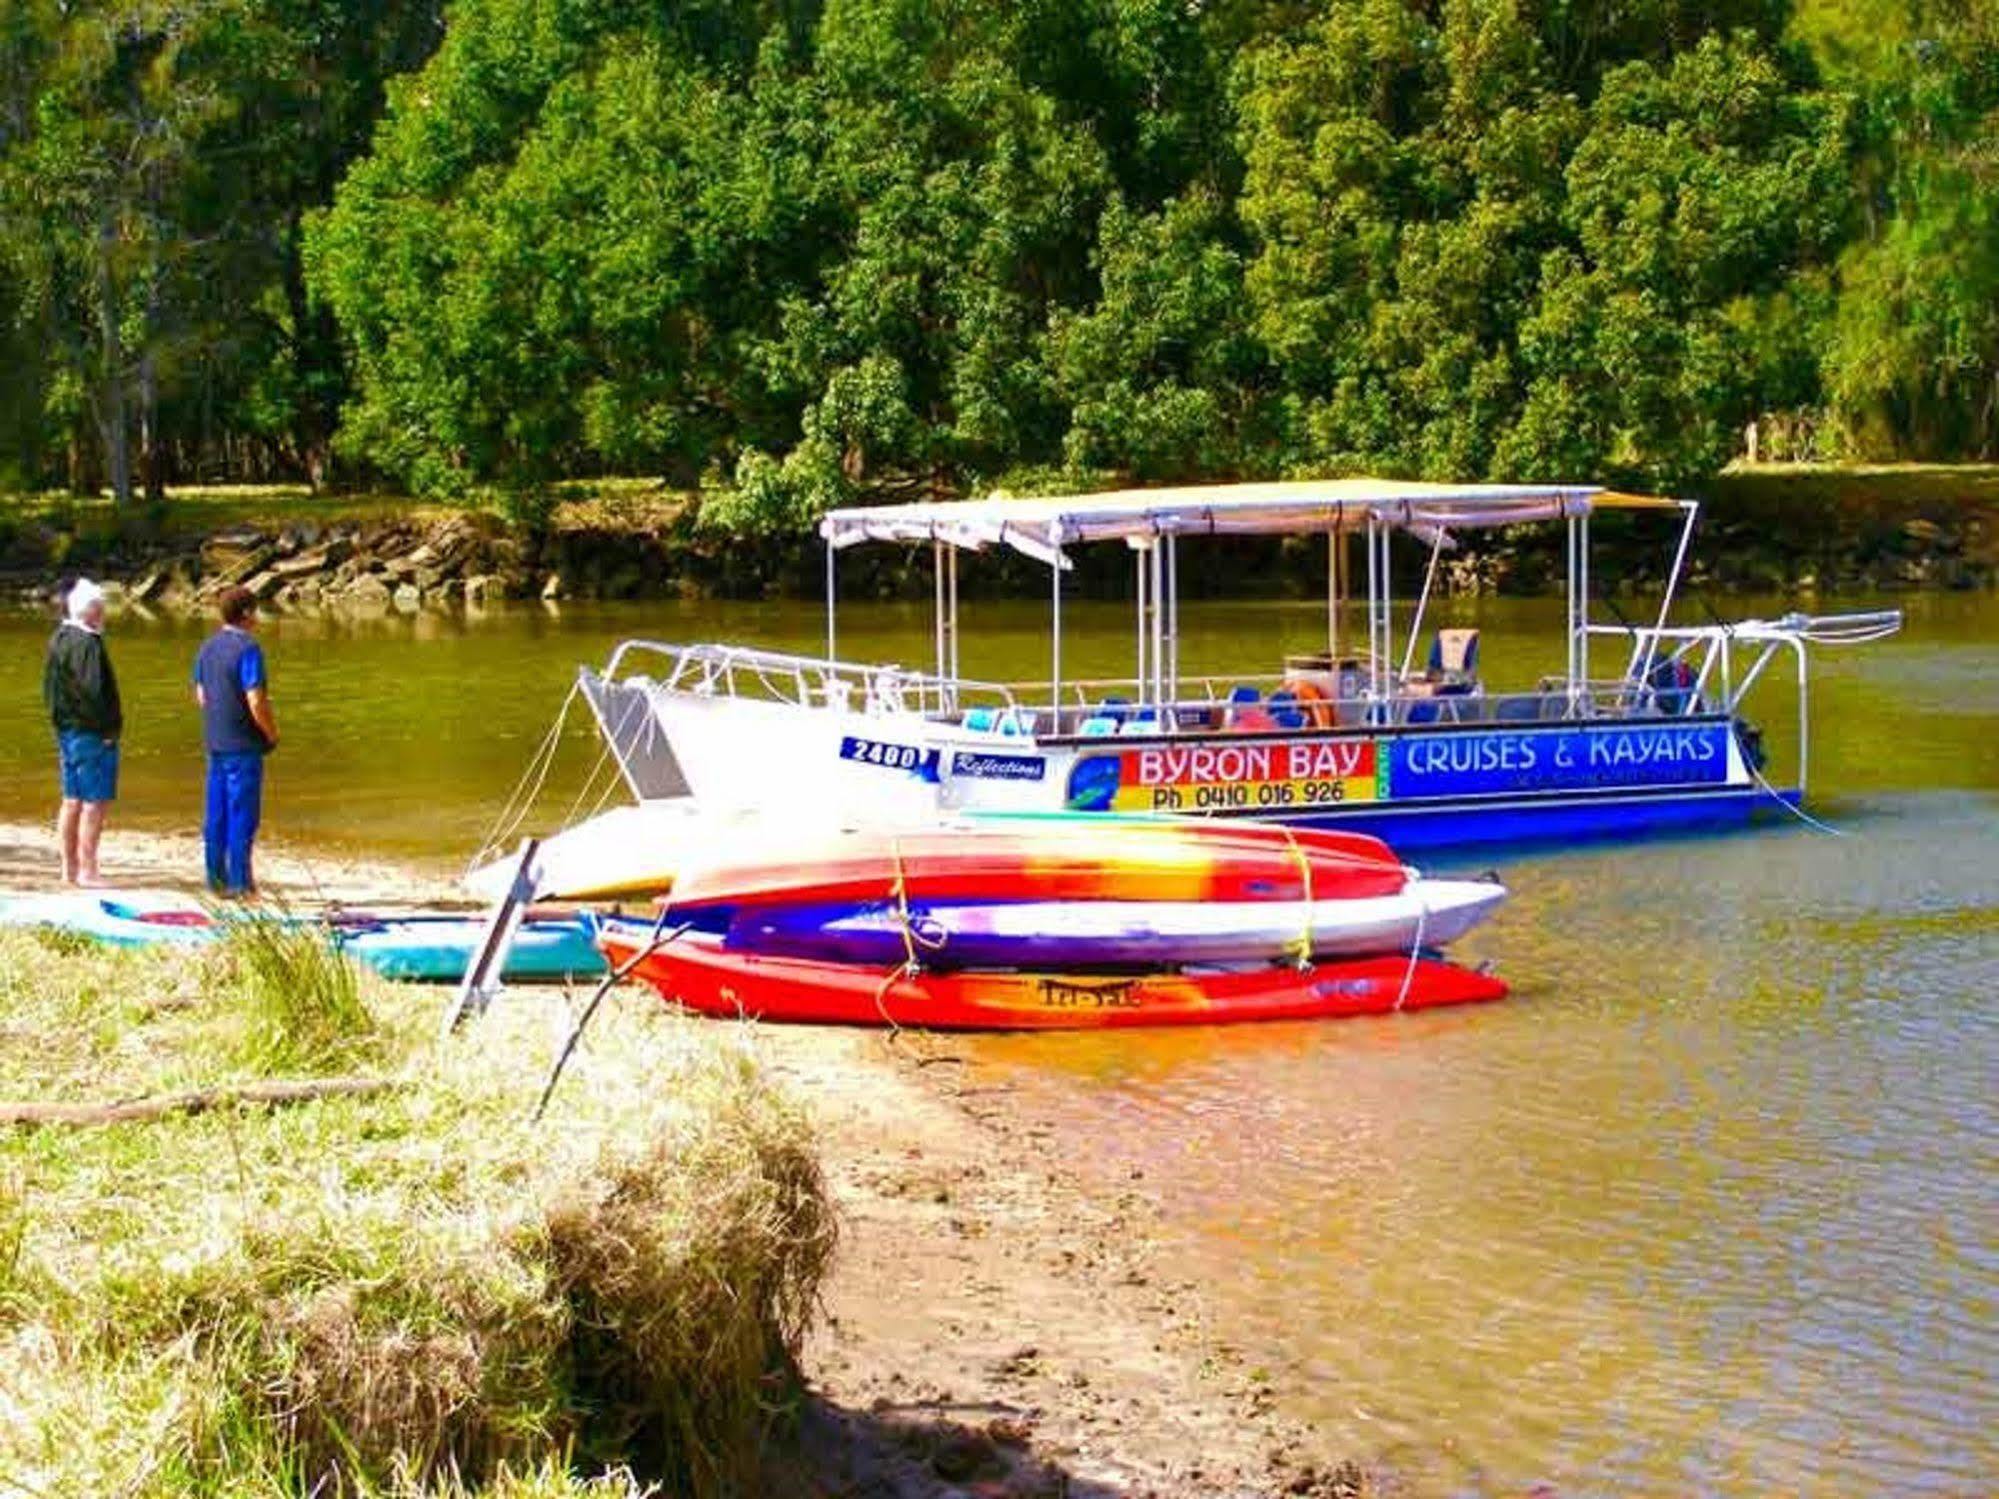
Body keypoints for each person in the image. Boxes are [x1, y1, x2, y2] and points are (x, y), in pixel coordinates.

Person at [193, 586, 278, 895]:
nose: (256, 617)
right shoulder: (248, 650)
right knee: (243, 814)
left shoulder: (207, 647)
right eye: (254, 611)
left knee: (216, 813)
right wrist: (270, 732)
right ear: (246, 614)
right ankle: (241, 884)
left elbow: (201, 695)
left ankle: (215, 881)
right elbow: (255, 699)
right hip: (243, 744)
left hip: (215, 741)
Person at [43, 577, 122, 886]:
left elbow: (49, 690)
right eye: (98, 607)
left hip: (67, 731)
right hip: (91, 733)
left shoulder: (59, 637)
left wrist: (59, 723)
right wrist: (106, 730)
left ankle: (69, 869)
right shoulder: (87, 643)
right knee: (94, 802)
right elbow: (93, 691)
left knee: (71, 799)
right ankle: (88, 870)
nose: (103, 612)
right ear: (86, 610)